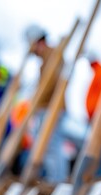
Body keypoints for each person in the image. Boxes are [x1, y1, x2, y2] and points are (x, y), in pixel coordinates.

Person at [23, 24, 68, 183]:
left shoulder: (52, 55)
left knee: (51, 146)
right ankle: (53, 179)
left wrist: (37, 102)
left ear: (37, 42)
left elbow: (51, 84)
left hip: (52, 108)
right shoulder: (48, 57)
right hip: (48, 108)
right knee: (47, 145)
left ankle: (56, 181)